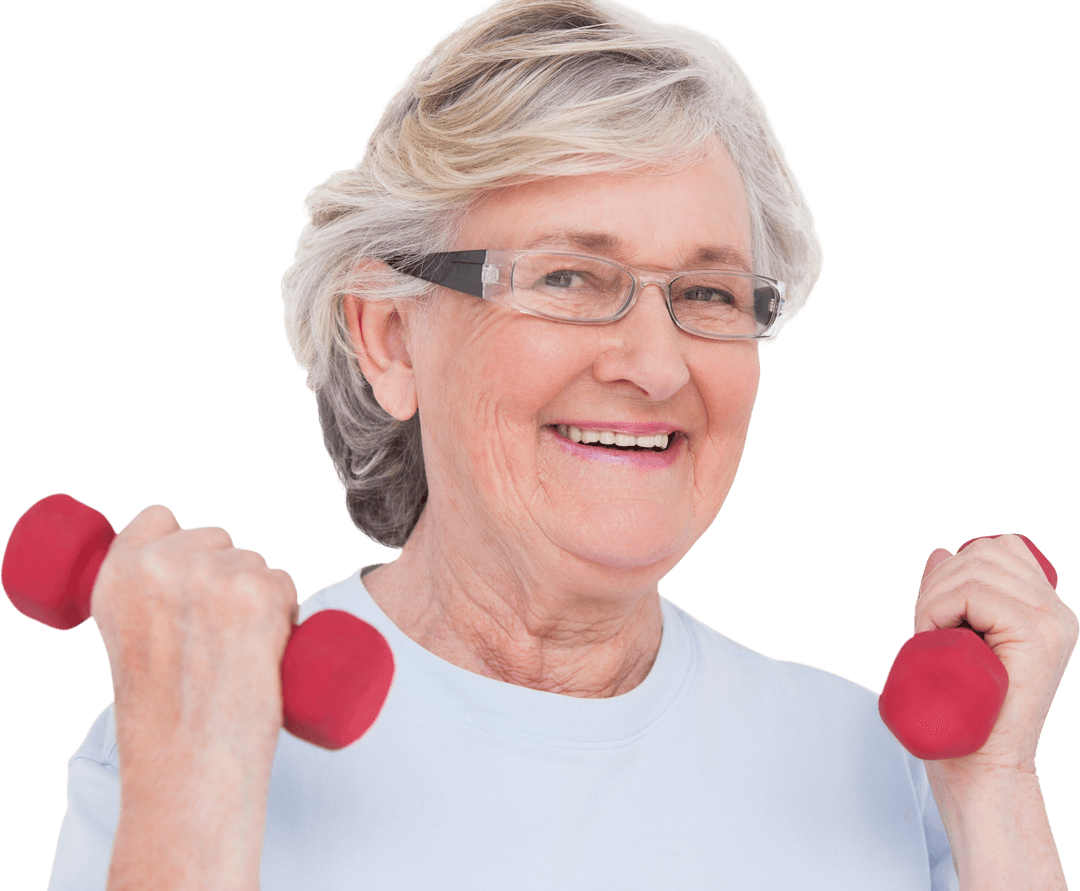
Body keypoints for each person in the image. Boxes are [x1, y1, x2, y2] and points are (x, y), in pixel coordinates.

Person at [45, 1, 1076, 889]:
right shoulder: (183, 746)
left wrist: (998, 794)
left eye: (709, 294)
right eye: (568, 278)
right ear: (390, 337)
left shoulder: (876, 768)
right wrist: (188, 787)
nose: (658, 364)